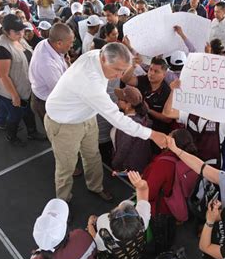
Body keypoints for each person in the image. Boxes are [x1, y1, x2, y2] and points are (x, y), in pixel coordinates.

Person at [45, 43, 167, 202]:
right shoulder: (89, 82)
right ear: (103, 58)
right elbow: (118, 119)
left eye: (123, 70)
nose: (119, 76)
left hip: (86, 115)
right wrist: (152, 134)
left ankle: (96, 187)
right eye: (116, 70)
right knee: (66, 167)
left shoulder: (98, 54)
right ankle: (62, 202)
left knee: (93, 155)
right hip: (64, 123)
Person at [163, 79, 225, 168]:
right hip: (188, 163)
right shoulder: (189, 114)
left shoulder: (221, 122)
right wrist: (172, 91)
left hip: (210, 166)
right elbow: (167, 113)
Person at [0, 14, 44, 146]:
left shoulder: (19, 39)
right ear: (6, 30)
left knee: (27, 111)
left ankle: (32, 132)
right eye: (16, 31)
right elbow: (3, 75)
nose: (21, 33)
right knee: (15, 115)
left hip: (24, 87)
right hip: (9, 91)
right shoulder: (1, 48)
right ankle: (12, 136)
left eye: (21, 30)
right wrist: (14, 96)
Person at [29, 23, 74, 122]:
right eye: (70, 43)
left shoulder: (47, 42)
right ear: (59, 43)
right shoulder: (47, 63)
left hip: (46, 92)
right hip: (45, 101)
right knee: (55, 132)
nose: (71, 46)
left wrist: (66, 63)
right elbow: (60, 91)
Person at [121, 56, 173, 135]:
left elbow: (168, 119)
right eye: (150, 69)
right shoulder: (143, 80)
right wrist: (133, 66)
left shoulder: (167, 92)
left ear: (164, 74)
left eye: (156, 71)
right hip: (138, 126)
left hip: (156, 131)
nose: (151, 73)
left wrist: (148, 110)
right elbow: (125, 80)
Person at [111, 85, 151, 173]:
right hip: (140, 165)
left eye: (120, 99)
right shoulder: (143, 117)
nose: (117, 100)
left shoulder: (127, 125)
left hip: (128, 170)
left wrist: (114, 165)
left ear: (128, 105)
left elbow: (122, 149)